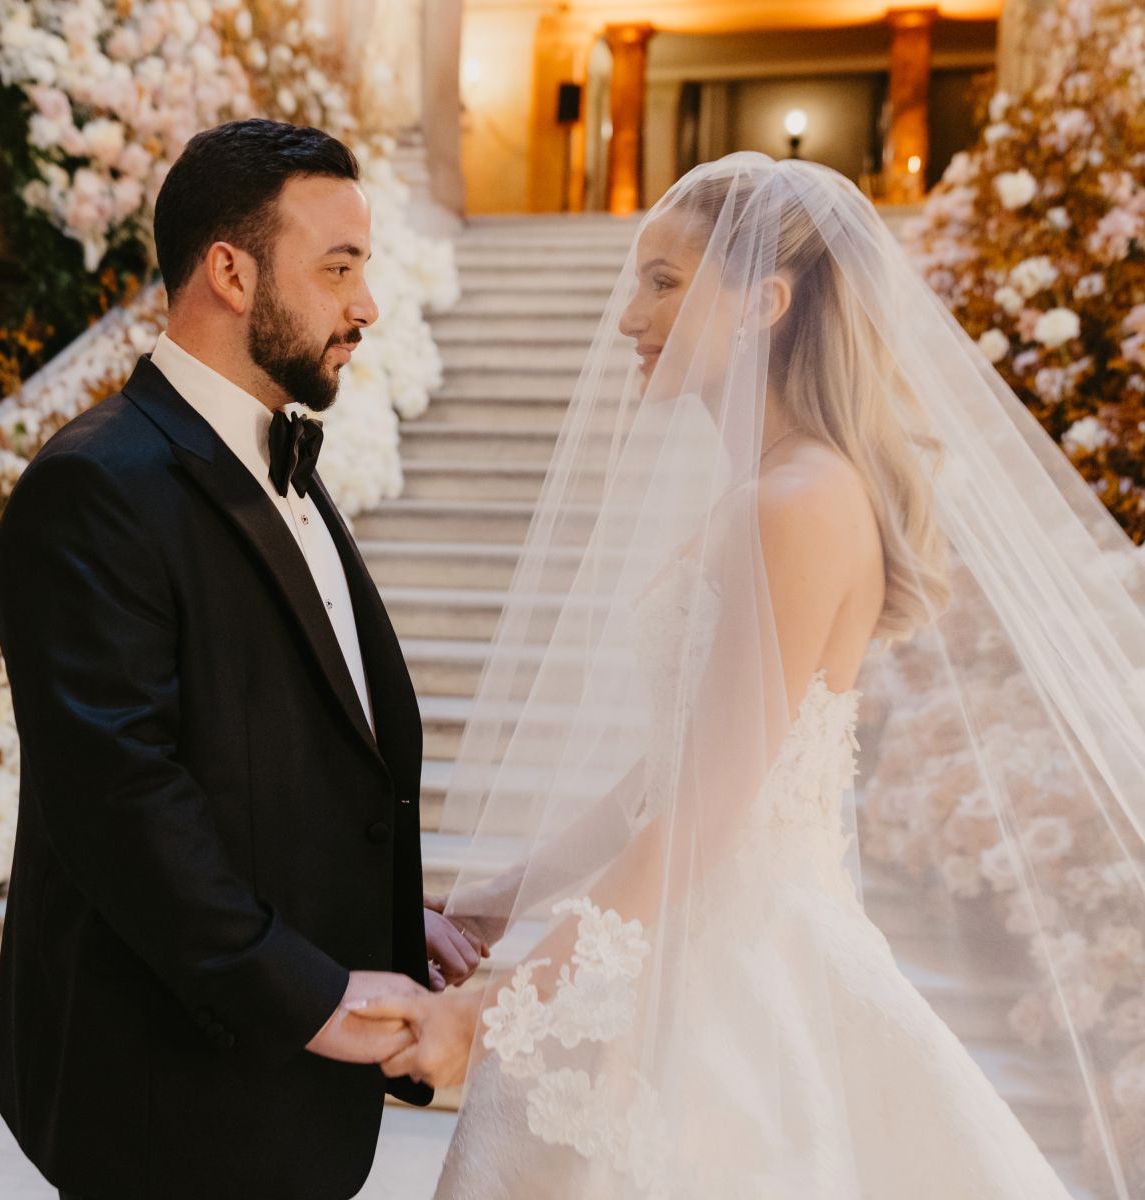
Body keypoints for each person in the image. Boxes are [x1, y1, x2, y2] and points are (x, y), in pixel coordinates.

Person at [356, 153, 1145, 1198]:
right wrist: (503, 897)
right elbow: (676, 765)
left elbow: (702, 817)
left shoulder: (795, 502)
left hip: (734, 974)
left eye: (664, 280)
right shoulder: (781, 486)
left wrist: (490, 1015)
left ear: (764, 302)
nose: (628, 315)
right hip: (697, 936)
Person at [0, 118, 487, 1200]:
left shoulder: (283, 464)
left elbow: (300, 755)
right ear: (228, 269)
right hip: (172, 1093)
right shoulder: (95, 486)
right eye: (339, 268)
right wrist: (310, 995)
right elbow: (123, 805)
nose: (366, 306)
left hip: (283, 1093)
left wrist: (397, 918)